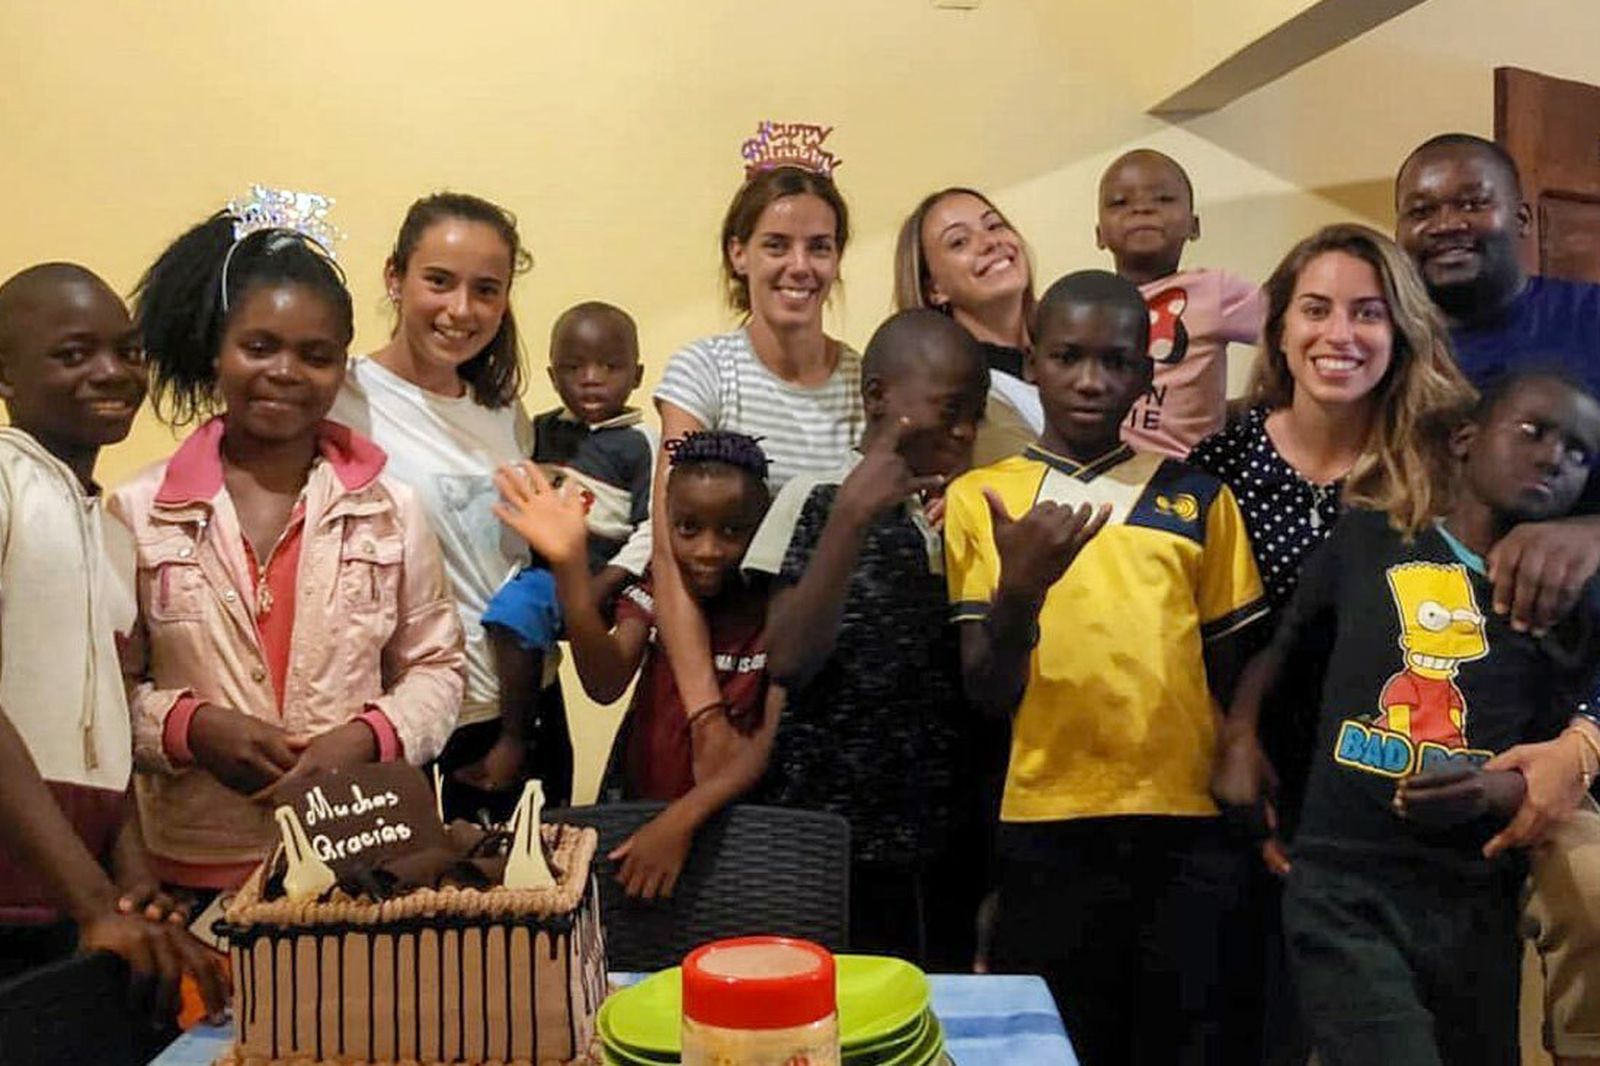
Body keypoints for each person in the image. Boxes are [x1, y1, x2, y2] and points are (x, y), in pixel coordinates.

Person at [1214, 369, 1600, 1066]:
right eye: (1533, 432)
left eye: (1578, 454)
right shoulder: (1368, 541)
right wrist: (1241, 734)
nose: (1553, 457)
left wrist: (1497, 789)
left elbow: (1555, 753)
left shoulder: (1565, 602)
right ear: (1464, 439)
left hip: (1474, 893)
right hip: (1342, 885)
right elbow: (1286, 645)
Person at [944, 269, 1268, 1064]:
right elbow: (985, 691)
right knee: (1056, 1041)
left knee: (1183, 1037)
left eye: (1116, 361)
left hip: (1184, 822)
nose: (1091, 381)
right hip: (1046, 818)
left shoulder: (1196, 498)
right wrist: (1019, 590)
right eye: (1067, 357)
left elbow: (1236, 662)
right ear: (1032, 360)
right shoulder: (985, 498)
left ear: (1145, 372)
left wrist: (1240, 754)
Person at [115, 202, 464, 899]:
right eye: (259, 346)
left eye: (315, 355)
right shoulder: (138, 510)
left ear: (342, 366)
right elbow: (103, 693)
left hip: (356, 860)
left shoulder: (391, 509)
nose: (286, 372)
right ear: (218, 351)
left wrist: (368, 737)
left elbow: (438, 666)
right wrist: (190, 728)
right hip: (193, 867)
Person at [1189, 222, 1475, 1063]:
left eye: (1368, 313)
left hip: (1394, 797)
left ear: (1403, 331)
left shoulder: (1445, 461)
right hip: (1249, 780)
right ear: (1279, 326)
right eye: (1316, 309)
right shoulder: (1225, 458)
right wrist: (1236, 743)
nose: (1339, 335)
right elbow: (1188, 632)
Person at [1396, 136, 1600, 1066]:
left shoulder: (1588, 320)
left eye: (1469, 202)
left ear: (1520, 217)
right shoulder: (1393, 346)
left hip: (1572, 699)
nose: (1446, 225)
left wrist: (1595, 533)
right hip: (1426, 695)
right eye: (1423, 209)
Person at [0, 263, 225, 1024]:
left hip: (62, 902)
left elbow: (105, 725)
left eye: (128, 351)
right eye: (73, 355)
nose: (113, 373)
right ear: (4, 372)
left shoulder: (116, 533)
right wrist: (96, 902)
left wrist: (133, 886)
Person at [745, 309, 989, 967]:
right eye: (949, 407)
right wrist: (853, 516)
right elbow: (789, 659)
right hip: (830, 838)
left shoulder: (972, 514)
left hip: (946, 842)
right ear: (878, 396)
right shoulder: (816, 498)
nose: (965, 428)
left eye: (978, 413)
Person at [614, 160, 862, 792]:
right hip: (713, 673)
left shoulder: (865, 383)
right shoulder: (706, 370)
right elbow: (671, 552)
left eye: (820, 247)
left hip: (824, 678)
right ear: (739, 254)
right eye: (776, 245)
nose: (799, 266)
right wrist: (707, 720)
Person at [327, 192, 567, 814]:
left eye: (486, 290)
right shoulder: (341, 400)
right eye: (439, 281)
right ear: (394, 276)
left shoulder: (505, 414)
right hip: (410, 718)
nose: (462, 310)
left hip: (526, 708)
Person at [492, 431, 779, 900]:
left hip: (741, 826)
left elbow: (769, 742)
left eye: (732, 531)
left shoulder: (775, 603)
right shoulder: (657, 589)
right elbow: (604, 682)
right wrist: (570, 568)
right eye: (688, 529)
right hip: (645, 810)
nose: (708, 550)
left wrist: (679, 822)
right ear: (664, 525)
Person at [472, 301, 655, 812]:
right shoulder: (543, 431)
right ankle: (515, 734)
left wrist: (607, 580)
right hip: (546, 573)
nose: (591, 379)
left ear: (636, 374)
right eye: (574, 368)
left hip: (610, 575)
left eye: (609, 367)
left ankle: (515, 741)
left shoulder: (641, 443)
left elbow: (651, 529)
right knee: (510, 612)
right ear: (553, 376)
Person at [1096, 149, 1265, 457]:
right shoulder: (1089, 302)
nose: (1142, 209)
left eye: (1163, 199)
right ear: (1099, 235)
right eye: (1121, 202)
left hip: (1186, 476)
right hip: (1103, 468)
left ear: (1194, 226)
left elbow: (1294, 333)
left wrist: (1260, 401)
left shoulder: (1214, 291)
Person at [894, 187, 1043, 465]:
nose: (989, 242)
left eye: (994, 225)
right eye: (959, 241)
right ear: (934, 289)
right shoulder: (954, 401)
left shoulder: (1077, 351)